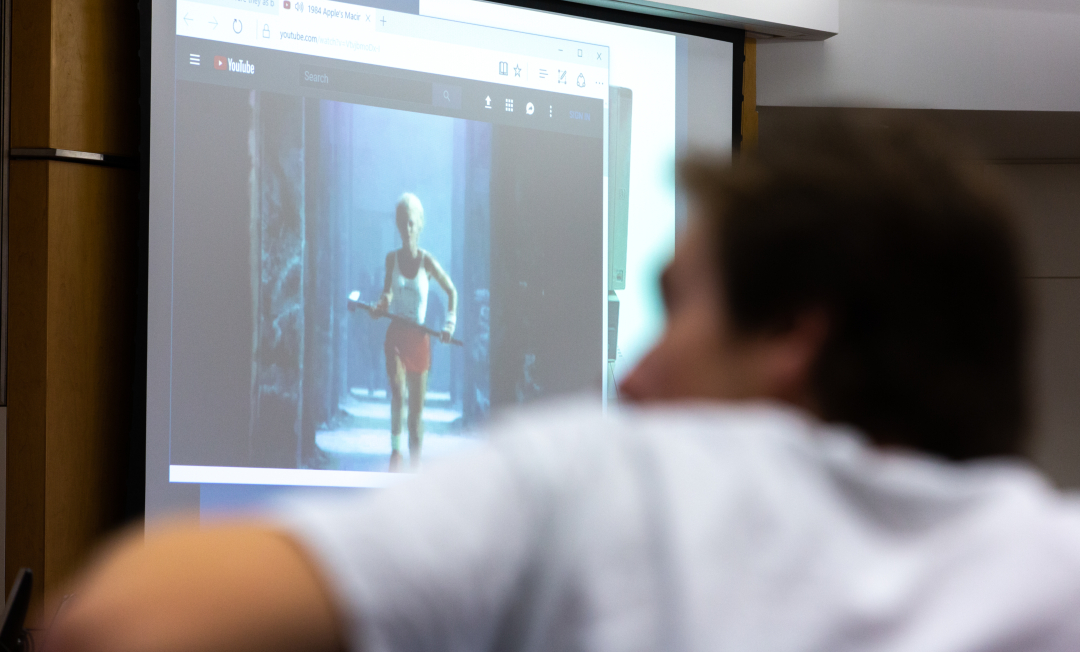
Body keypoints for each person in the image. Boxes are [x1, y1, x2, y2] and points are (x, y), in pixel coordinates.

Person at [48, 113, 1080, 652]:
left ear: (792, 337)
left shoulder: (605, 485)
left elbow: (123, 624)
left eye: (680, 308)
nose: (636, 372)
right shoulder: (1057, 565)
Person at [372, 193, 457, 471]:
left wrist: (449, 325)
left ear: (419, 225)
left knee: (416, 417)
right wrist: (381, 304)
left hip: (419, 342)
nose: (405, 230)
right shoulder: (391, 259)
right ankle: (395, 456)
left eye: (410, 223)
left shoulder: (427, 262)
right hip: (396, 335)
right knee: (398, 392)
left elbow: (451, 291)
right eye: (401, 223)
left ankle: (416, 467)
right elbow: (387, 293)